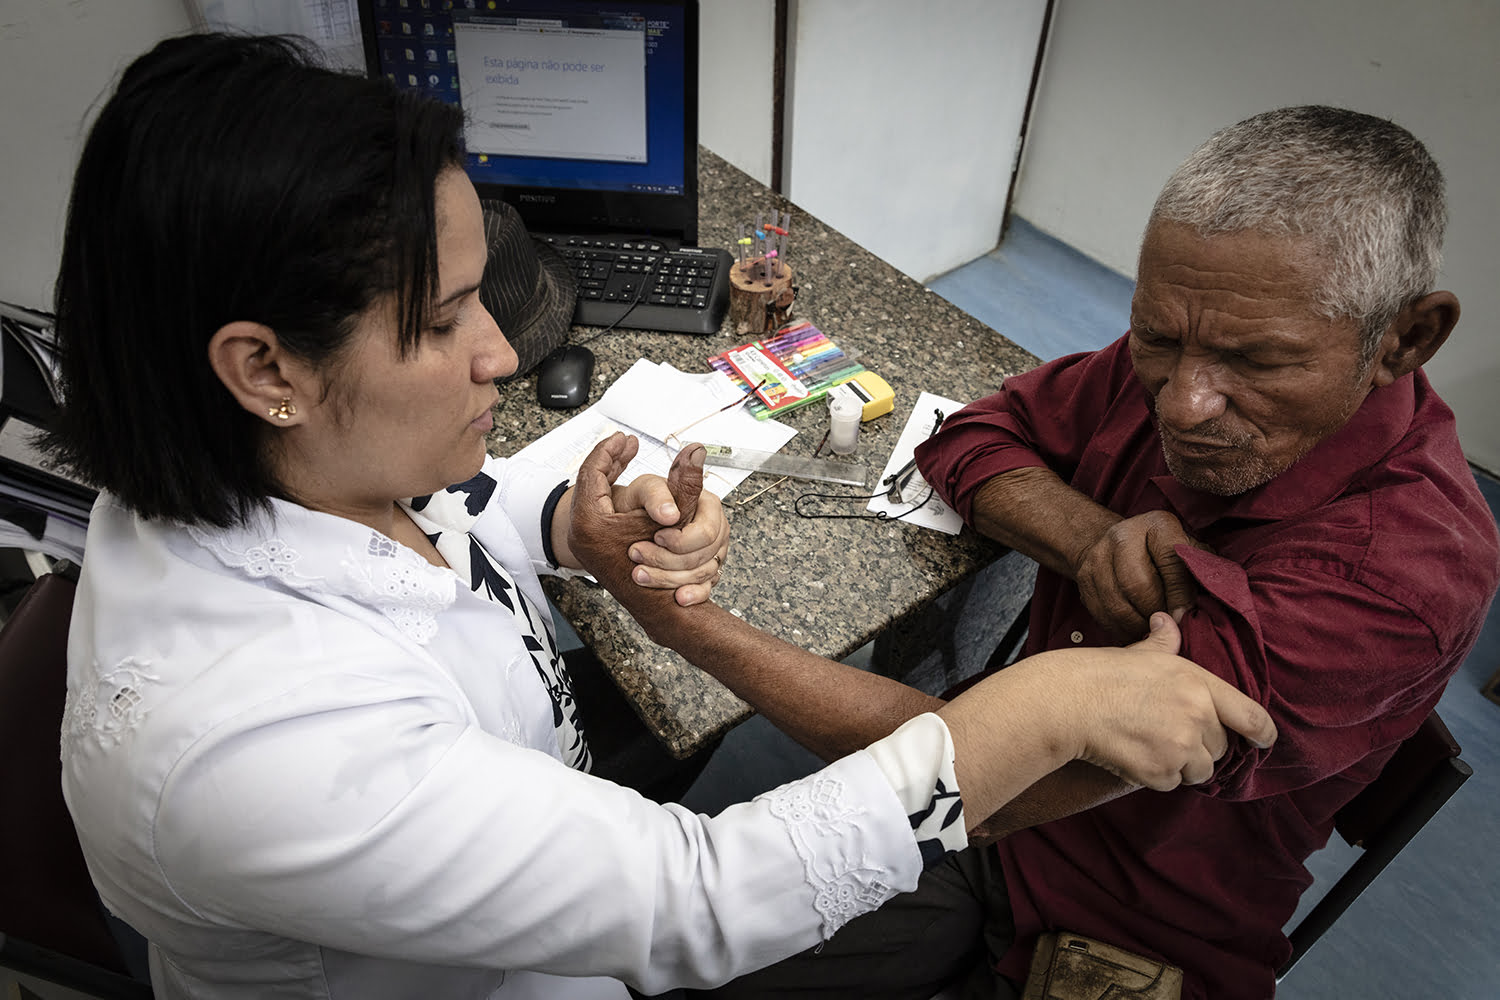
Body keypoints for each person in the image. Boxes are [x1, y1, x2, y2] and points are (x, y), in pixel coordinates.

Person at [45, 33, 1278, 1000]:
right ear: (265, 369)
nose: (498, 355)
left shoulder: (265, 459)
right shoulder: (256, 747)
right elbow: (695, 904)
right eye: (444, 320)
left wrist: (574, 527)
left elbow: (450, 509)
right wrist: (1047, 706)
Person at [698, 106, 1500, 1000]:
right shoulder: (1189, 344)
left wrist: (687, 624)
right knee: (692, 964)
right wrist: (1091, 541)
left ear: (1405, 339)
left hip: (1138, 912)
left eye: (1260, 362)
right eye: (1159, 337)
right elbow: (972, 437)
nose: (1185, 403)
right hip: (991, 831)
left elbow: (986, 774)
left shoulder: (1403, 571)